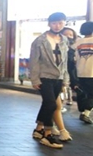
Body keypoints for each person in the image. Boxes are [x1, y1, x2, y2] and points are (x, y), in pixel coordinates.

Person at [29, 12, 70, 148]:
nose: (57, 26)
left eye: (60, 23)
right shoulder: (40, 40)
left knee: (47, 104)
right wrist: (35, 79)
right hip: (44, 76)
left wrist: (65, 80)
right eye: (54, 23)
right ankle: (47, 135)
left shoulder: (64, 40)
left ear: (64, 23)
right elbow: (34, 61)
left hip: (58, 77)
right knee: (51, 104)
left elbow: (65, 62)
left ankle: (38, 129)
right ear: (49, 24)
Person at [74, 21, 93, 124]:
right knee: (91, 94)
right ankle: (85, 113)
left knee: (84, 92)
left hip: (80, 72)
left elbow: (73, 57)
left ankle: (84, 111)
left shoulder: (78, 42)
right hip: (92, 72)